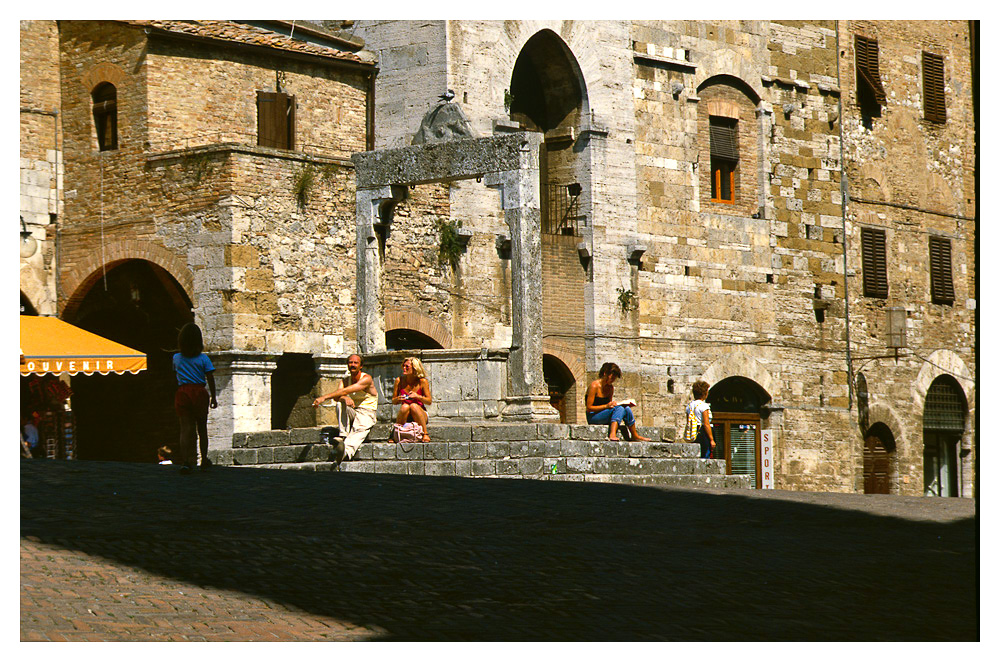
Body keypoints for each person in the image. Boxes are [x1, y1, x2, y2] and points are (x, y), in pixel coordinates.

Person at [312, 353, 378, 464]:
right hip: (353, 411)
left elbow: (344, 391)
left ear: (360, 366)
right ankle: (343, 436)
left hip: (367, 413)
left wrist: (324, 397)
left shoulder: (366, 379)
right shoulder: (345, 380)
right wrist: (344, 398)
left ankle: (345, 452)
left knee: (359, 430)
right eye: (350, 362)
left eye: (355, 363)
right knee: (340, 403)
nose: (352, 365)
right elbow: (339, 396)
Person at [172, 323, 218, 473]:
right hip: (199, 392)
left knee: (185, 429)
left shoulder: (176, 358)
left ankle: (185, 461)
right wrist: (214, 397)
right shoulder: (204, 359)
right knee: (202, 428)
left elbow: (175, 373)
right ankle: (204, 459)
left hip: (183, 392)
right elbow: (210, 378)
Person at [585, 362, 650, 441]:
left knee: (626, 409)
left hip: (604, 414)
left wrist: (613, 405)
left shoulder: (610, 388)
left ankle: (634, 435)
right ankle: (612, 434)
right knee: (619, 409)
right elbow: (589, 408)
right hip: (593, 416)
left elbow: (609, 406)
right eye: (612, 378)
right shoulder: (594, 386)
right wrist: (606, 406)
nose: (612, 380)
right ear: (605, 374)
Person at [392, 357, 433, 442]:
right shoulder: (399, 381)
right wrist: (398, 399)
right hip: (406, 413)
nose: (404, 368)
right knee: (405, 406)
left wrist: (418, 396)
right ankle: (396, 433)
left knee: (413, 406)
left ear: (415, 368)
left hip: (419, 412)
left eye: (407, 366)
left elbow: (429, 401)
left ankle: (425, 433)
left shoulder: (422, 382)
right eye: (403, 366)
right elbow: (393, 401)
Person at [685, 380, 716, 459]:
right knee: (705, 454)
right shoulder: (704, 406)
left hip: (694, 432)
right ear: (704, 393)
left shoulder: (689, 406)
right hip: (703, 433)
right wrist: (711, 439)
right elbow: (706, 424)